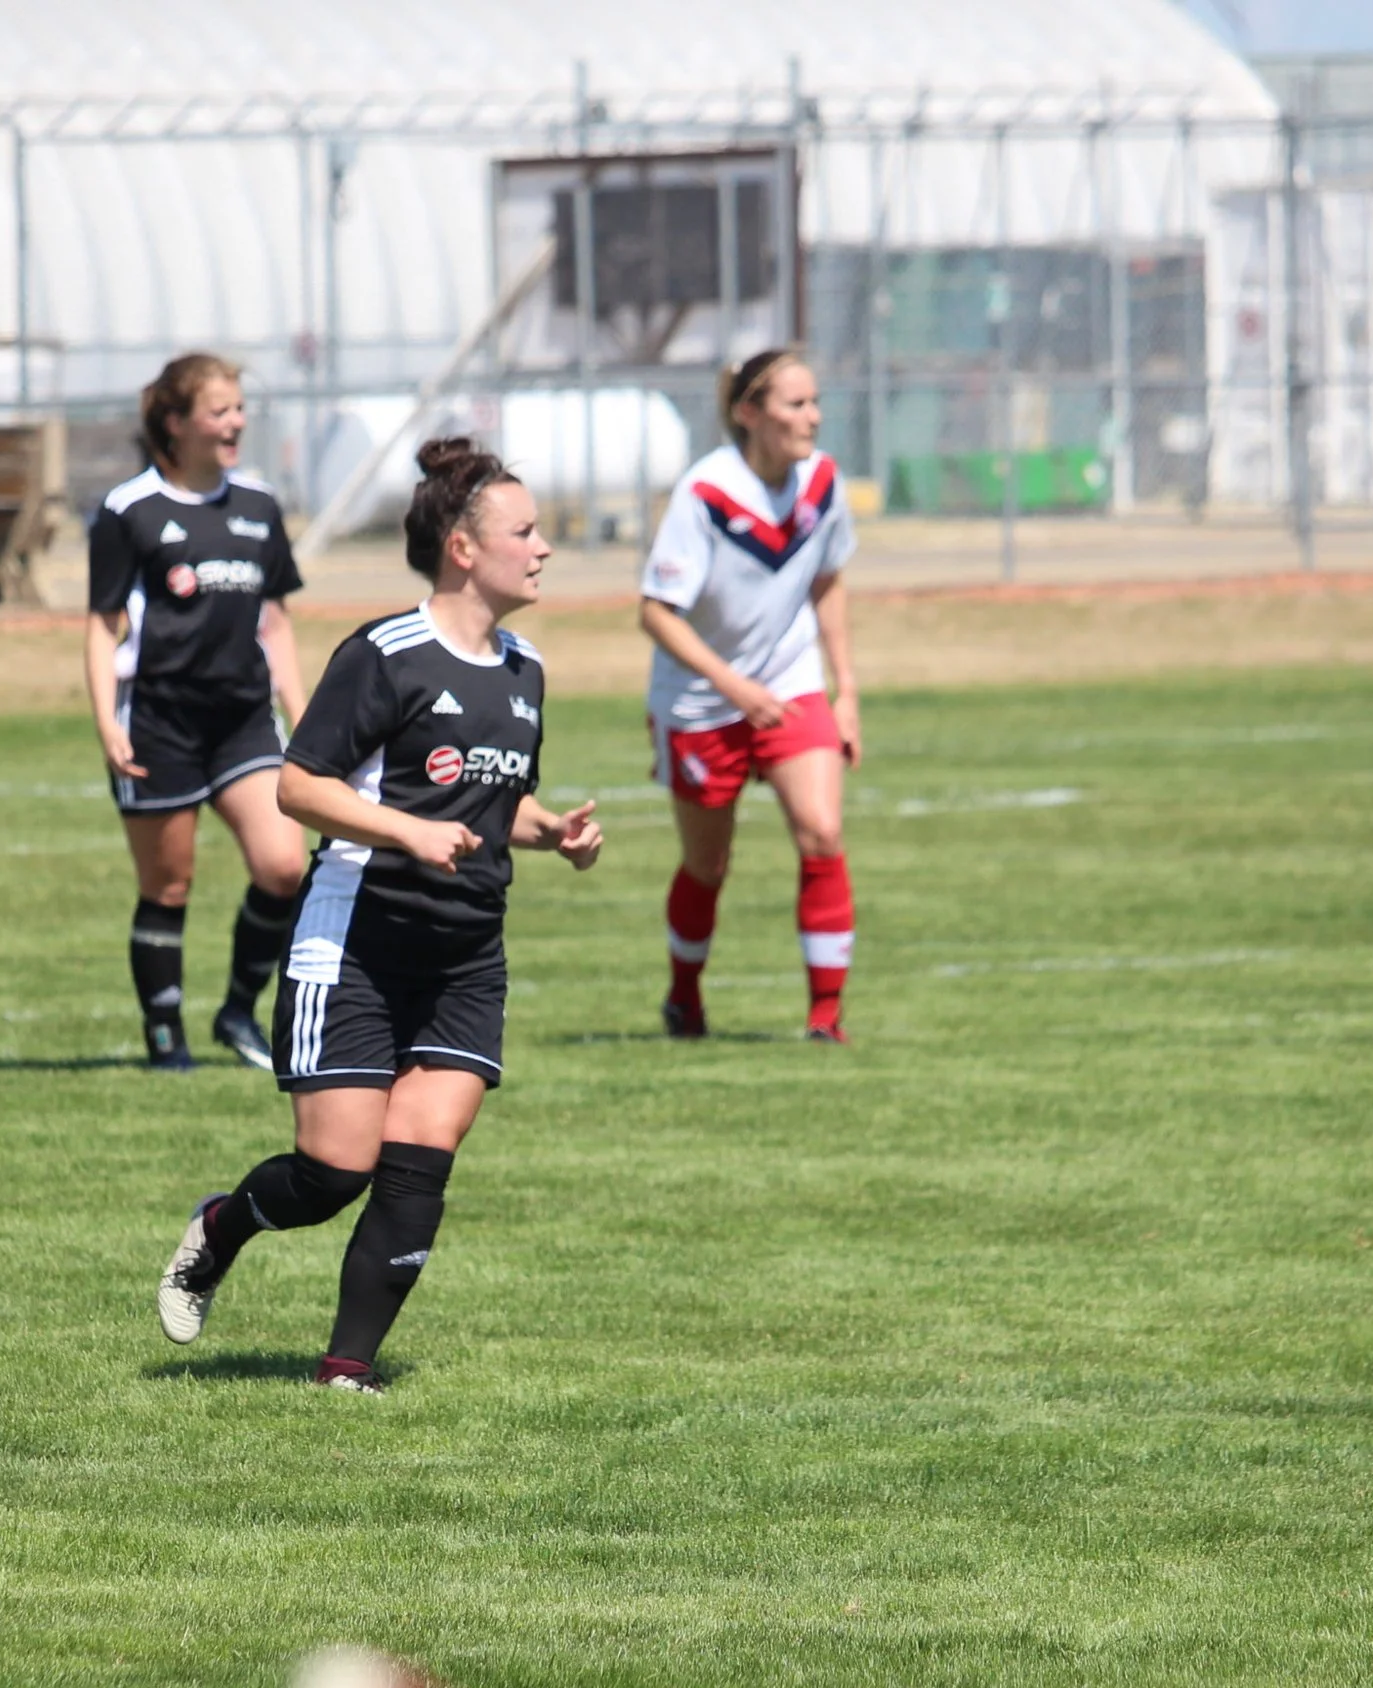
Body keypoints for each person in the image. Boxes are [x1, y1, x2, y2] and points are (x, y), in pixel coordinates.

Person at [153, 438, 603, 1393]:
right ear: (463, 549)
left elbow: (491, 801)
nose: (544, 548)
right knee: (336, 1170)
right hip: (355, 942)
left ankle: (345, 1375)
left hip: (465, 959)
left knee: (419, 1164)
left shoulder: (525, 671)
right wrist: (405, 831)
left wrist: (549, 829)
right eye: (525, 531)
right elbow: (298, 786)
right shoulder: (384, 655)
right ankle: (222, 1226)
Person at [86, 353, 309, 1072]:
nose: (236, 421)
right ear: (176, 424)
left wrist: (304, 721)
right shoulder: (130, 511)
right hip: (158, 722)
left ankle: (238, 1011)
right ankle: (164, 1038)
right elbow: (102, 625)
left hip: (243, 721)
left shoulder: (259, 506)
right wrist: (107, 724)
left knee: (283, 868)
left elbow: (274, 624)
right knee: (169, 883)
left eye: (238, 408)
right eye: (219, 411)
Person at [639, 347, 861, 1043]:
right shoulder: (705, 494)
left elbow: (827, 581)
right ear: (747, 414)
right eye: (795, 404)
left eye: (814, 401)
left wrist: (846, 690)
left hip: (792, 687)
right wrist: (734, 686)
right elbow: (655, 611)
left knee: (822, 833)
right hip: (701, 703)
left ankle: (825, 1020)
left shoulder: (823, 483)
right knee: (710, 865)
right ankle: (684, 998)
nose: (813, 417)